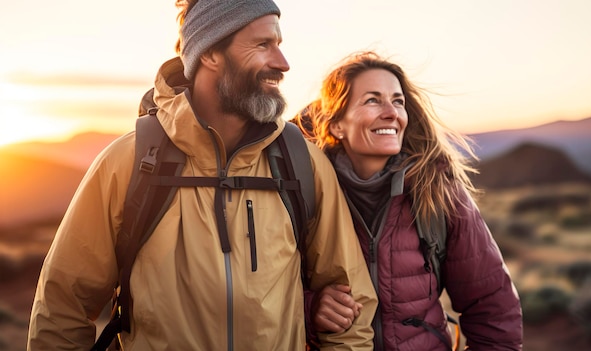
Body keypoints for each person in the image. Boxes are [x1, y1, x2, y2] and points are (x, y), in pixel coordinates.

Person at [26, 1, 378, 350]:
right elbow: (62, 308)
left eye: (279, 46)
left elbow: (352, 310)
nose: (282, 63)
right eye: (262, 45)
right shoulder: (128, 162)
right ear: (210, 53)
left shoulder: (302, 162)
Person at [292, 51, 523, 350]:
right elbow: (261, 291)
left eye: (398, 101)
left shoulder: (438, 191)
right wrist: (311, 308)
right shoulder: (303, 196)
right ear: (337, 125)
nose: (391, 112)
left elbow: (493, 306)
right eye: (372, 100)